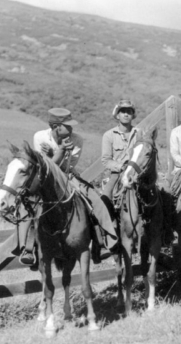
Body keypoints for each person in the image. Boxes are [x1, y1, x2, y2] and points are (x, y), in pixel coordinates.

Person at [19, 108, 119, 266]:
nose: (72, 129)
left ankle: (103, 241)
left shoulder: (77, 140)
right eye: (68, 126)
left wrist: (57, 152)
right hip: (45, 178)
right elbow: (43, 167)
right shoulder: (39, 136)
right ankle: (27, 247)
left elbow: (66, 167)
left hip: (68, 175)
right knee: (28, 202)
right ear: (56, 127)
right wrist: (58, 152)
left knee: (94, 199)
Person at [101, 99, 139, 202]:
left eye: (129, 112)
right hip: (117, 173)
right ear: (118, 115)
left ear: (133, 115)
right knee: (106, 195)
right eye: (123, 112)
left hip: (137, 172)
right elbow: (106, 160)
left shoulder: (139, 134)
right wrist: (121, 166)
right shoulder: (109, 135)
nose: (126, 114)